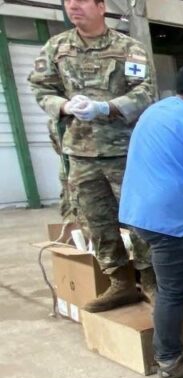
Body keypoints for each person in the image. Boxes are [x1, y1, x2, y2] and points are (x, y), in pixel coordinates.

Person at [28, 0, 155, 312]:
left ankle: (151, 280)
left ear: (101, 6)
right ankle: (121, 282)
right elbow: (40, 89)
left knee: (140, 220)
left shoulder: (128, 48)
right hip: (80, 152)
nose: (73, 6)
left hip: (124, 152)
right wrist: (63, 105)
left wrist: (107, 107)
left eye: (82, 0)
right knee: (96, 222)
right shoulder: (56, 48)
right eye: (68, 1)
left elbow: (145, 92)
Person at [118, 63, 183, 378]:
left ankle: (178, 310)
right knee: (171, 290)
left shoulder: (157, 110)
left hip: (139, 212)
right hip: (168, 219)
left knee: (181, 270)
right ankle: (170, 361)